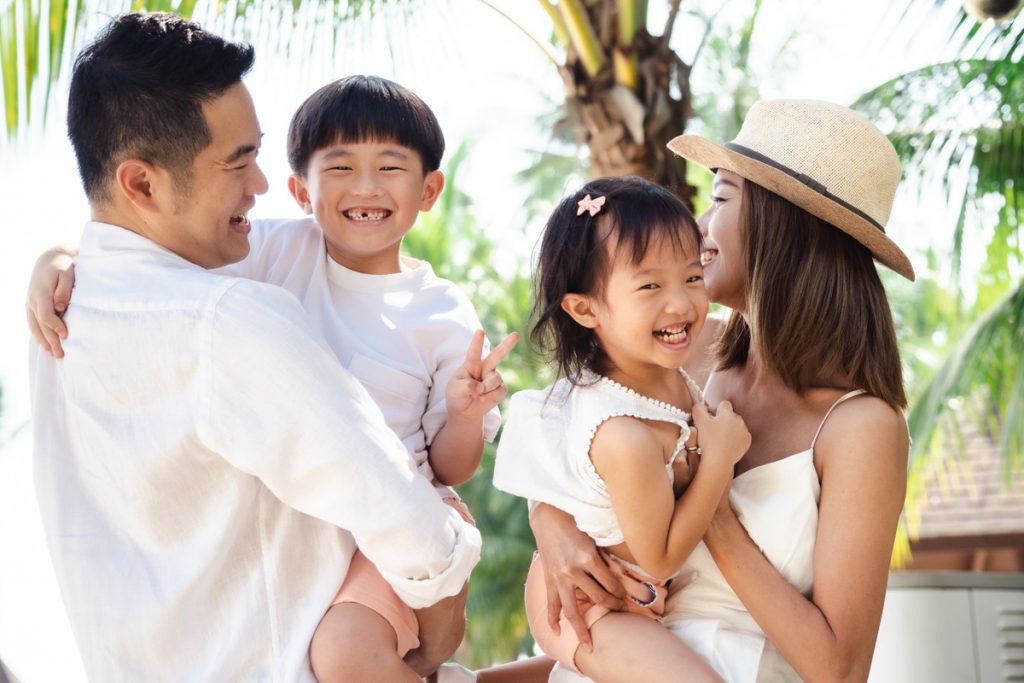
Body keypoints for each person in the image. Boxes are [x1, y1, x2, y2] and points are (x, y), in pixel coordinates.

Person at [28, 13, 482, 682]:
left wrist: (61, 252)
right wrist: (444, 595)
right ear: (142, 184)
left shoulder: (61, 318)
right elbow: (396, 511)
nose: (264, 186)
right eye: (238, 162)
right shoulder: (226, 320)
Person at [526, 100, 913, 682]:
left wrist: (707, 501)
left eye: (722, 198)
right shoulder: (685, 355)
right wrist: (550, 527)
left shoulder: (861, 427)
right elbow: (569, 437)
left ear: (785, 226)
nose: (699, 227)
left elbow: (840, 669)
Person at [493, 177, 752, 683]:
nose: (680, 303)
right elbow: (658, 557)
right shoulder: (623, 433)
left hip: (631, 596)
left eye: (692, 277)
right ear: (584, 309)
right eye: (650, 286)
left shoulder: (663, 376)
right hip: (591, 605)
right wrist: (718, 460)